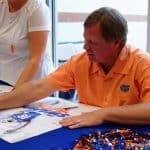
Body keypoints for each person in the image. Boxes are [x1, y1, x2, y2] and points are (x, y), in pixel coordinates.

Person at [0, 7, 150, 128]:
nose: (85, 47)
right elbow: (38, 87)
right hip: (88, 130)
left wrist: (103, 114)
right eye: (85, 40)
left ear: (116, 43)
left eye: (93, 43)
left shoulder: (142, 64)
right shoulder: (80, 62)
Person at [0, 0, 53, 88]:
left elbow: (35, 60)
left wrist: (14, 95)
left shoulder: (37, 8)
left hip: (33, 85)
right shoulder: (2, 5)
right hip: (4, 81)